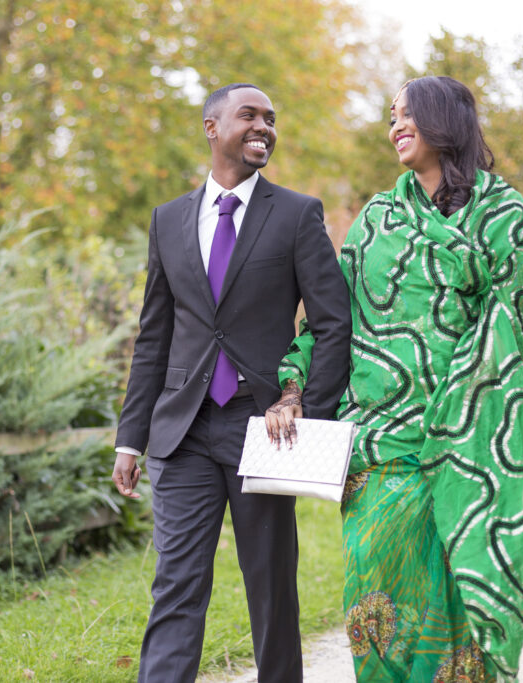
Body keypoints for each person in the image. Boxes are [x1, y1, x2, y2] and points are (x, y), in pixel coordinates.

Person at [265, 76, 523, 682]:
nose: (394, 127)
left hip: (460, 449)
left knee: (459, 602)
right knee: (378, 608)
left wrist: (454, 417)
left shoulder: (504, 215)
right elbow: (330, 320)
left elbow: (509, 333)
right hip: (376, 454)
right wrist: (293, 387)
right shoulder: (376, 219)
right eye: (391, 118)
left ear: (445, 121)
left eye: (407, 115)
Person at [111, 83, 352, 683]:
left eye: (271, 119)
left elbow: (332, 322)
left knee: (271, 590)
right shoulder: (168, 221)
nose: (264, 127)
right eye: (250, 115)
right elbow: (154, 336)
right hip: (183, 432)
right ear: (212, 127)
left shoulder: (297, 214)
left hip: (266, 432)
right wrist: (129, 437)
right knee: (176, 587)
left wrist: (308, 411)